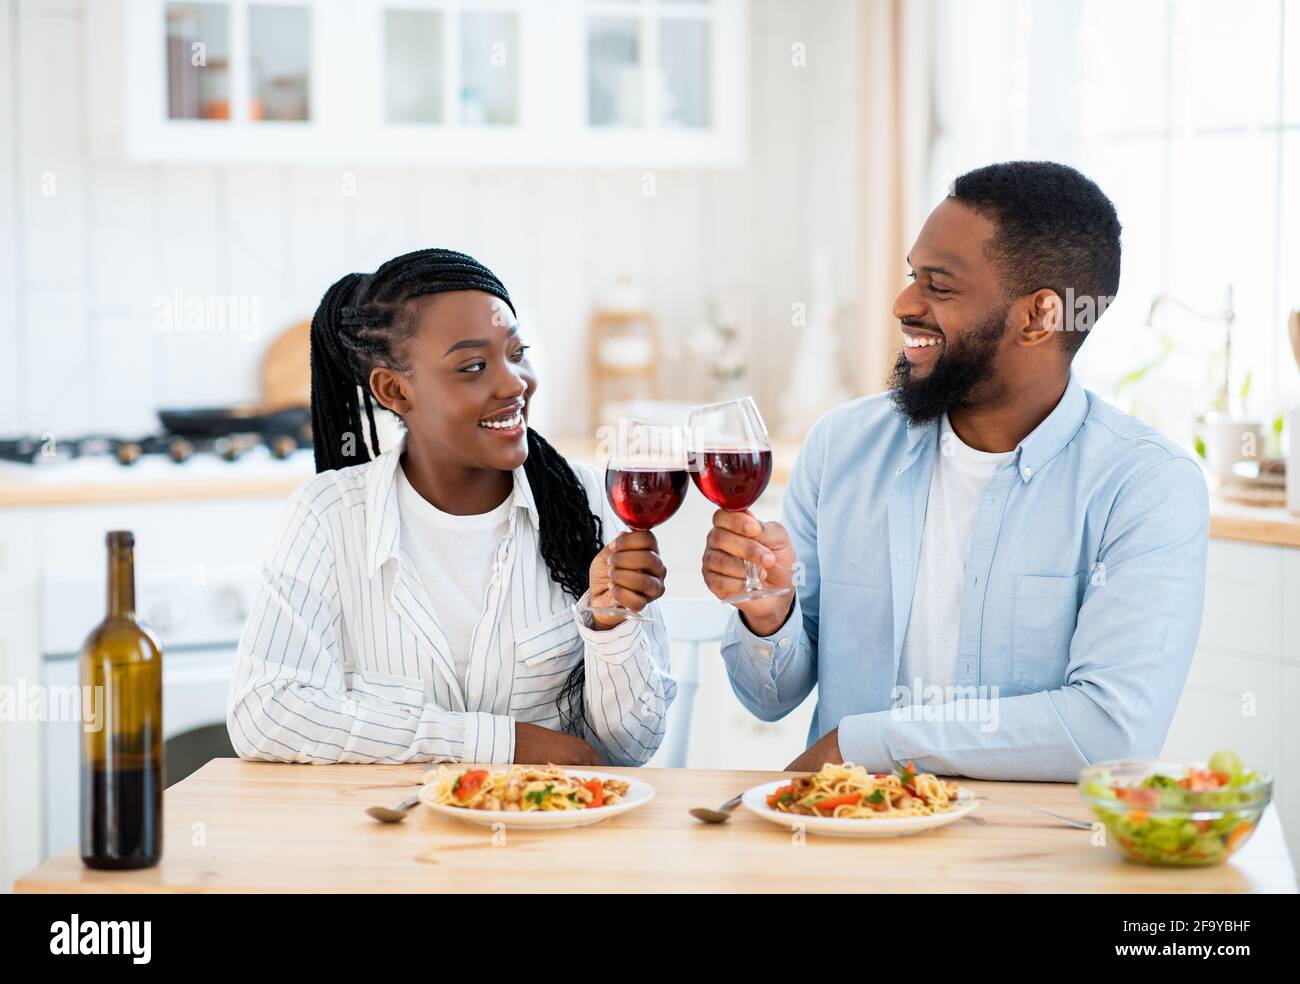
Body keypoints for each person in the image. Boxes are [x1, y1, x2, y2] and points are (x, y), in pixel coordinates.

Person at [702, 161, 1209, 781]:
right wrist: (767, 606)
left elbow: (1108, 732)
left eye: (938, 287)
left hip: (1028, 861)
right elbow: (769, 696)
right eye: (913, 276)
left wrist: (863, 745)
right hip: (847, 841)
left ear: (1040, 316)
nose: (903, 304)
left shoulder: (1146, 486)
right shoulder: (842, 446)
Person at [228, 249, 674, 767]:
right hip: (388, 842)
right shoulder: (330, 516)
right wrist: (500, 744)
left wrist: (610, 623)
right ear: (394, 390)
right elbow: (265, 712)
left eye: (517, 352)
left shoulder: (591, 501)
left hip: (552, 836)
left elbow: (631, 749)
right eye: (474, 366)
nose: (514, 383)